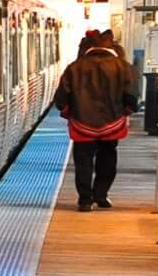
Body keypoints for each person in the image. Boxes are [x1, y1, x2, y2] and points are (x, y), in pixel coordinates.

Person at [52, 28, 139, 210]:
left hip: (81, 125)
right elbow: (131, 96)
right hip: (112, 124)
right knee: (107, 160)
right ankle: (101, 195)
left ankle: (84, 200)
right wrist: (125, 111)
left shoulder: (74, 68)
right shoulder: (123, 67)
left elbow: (60, 99)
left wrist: (71, 112)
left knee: (83, 162)